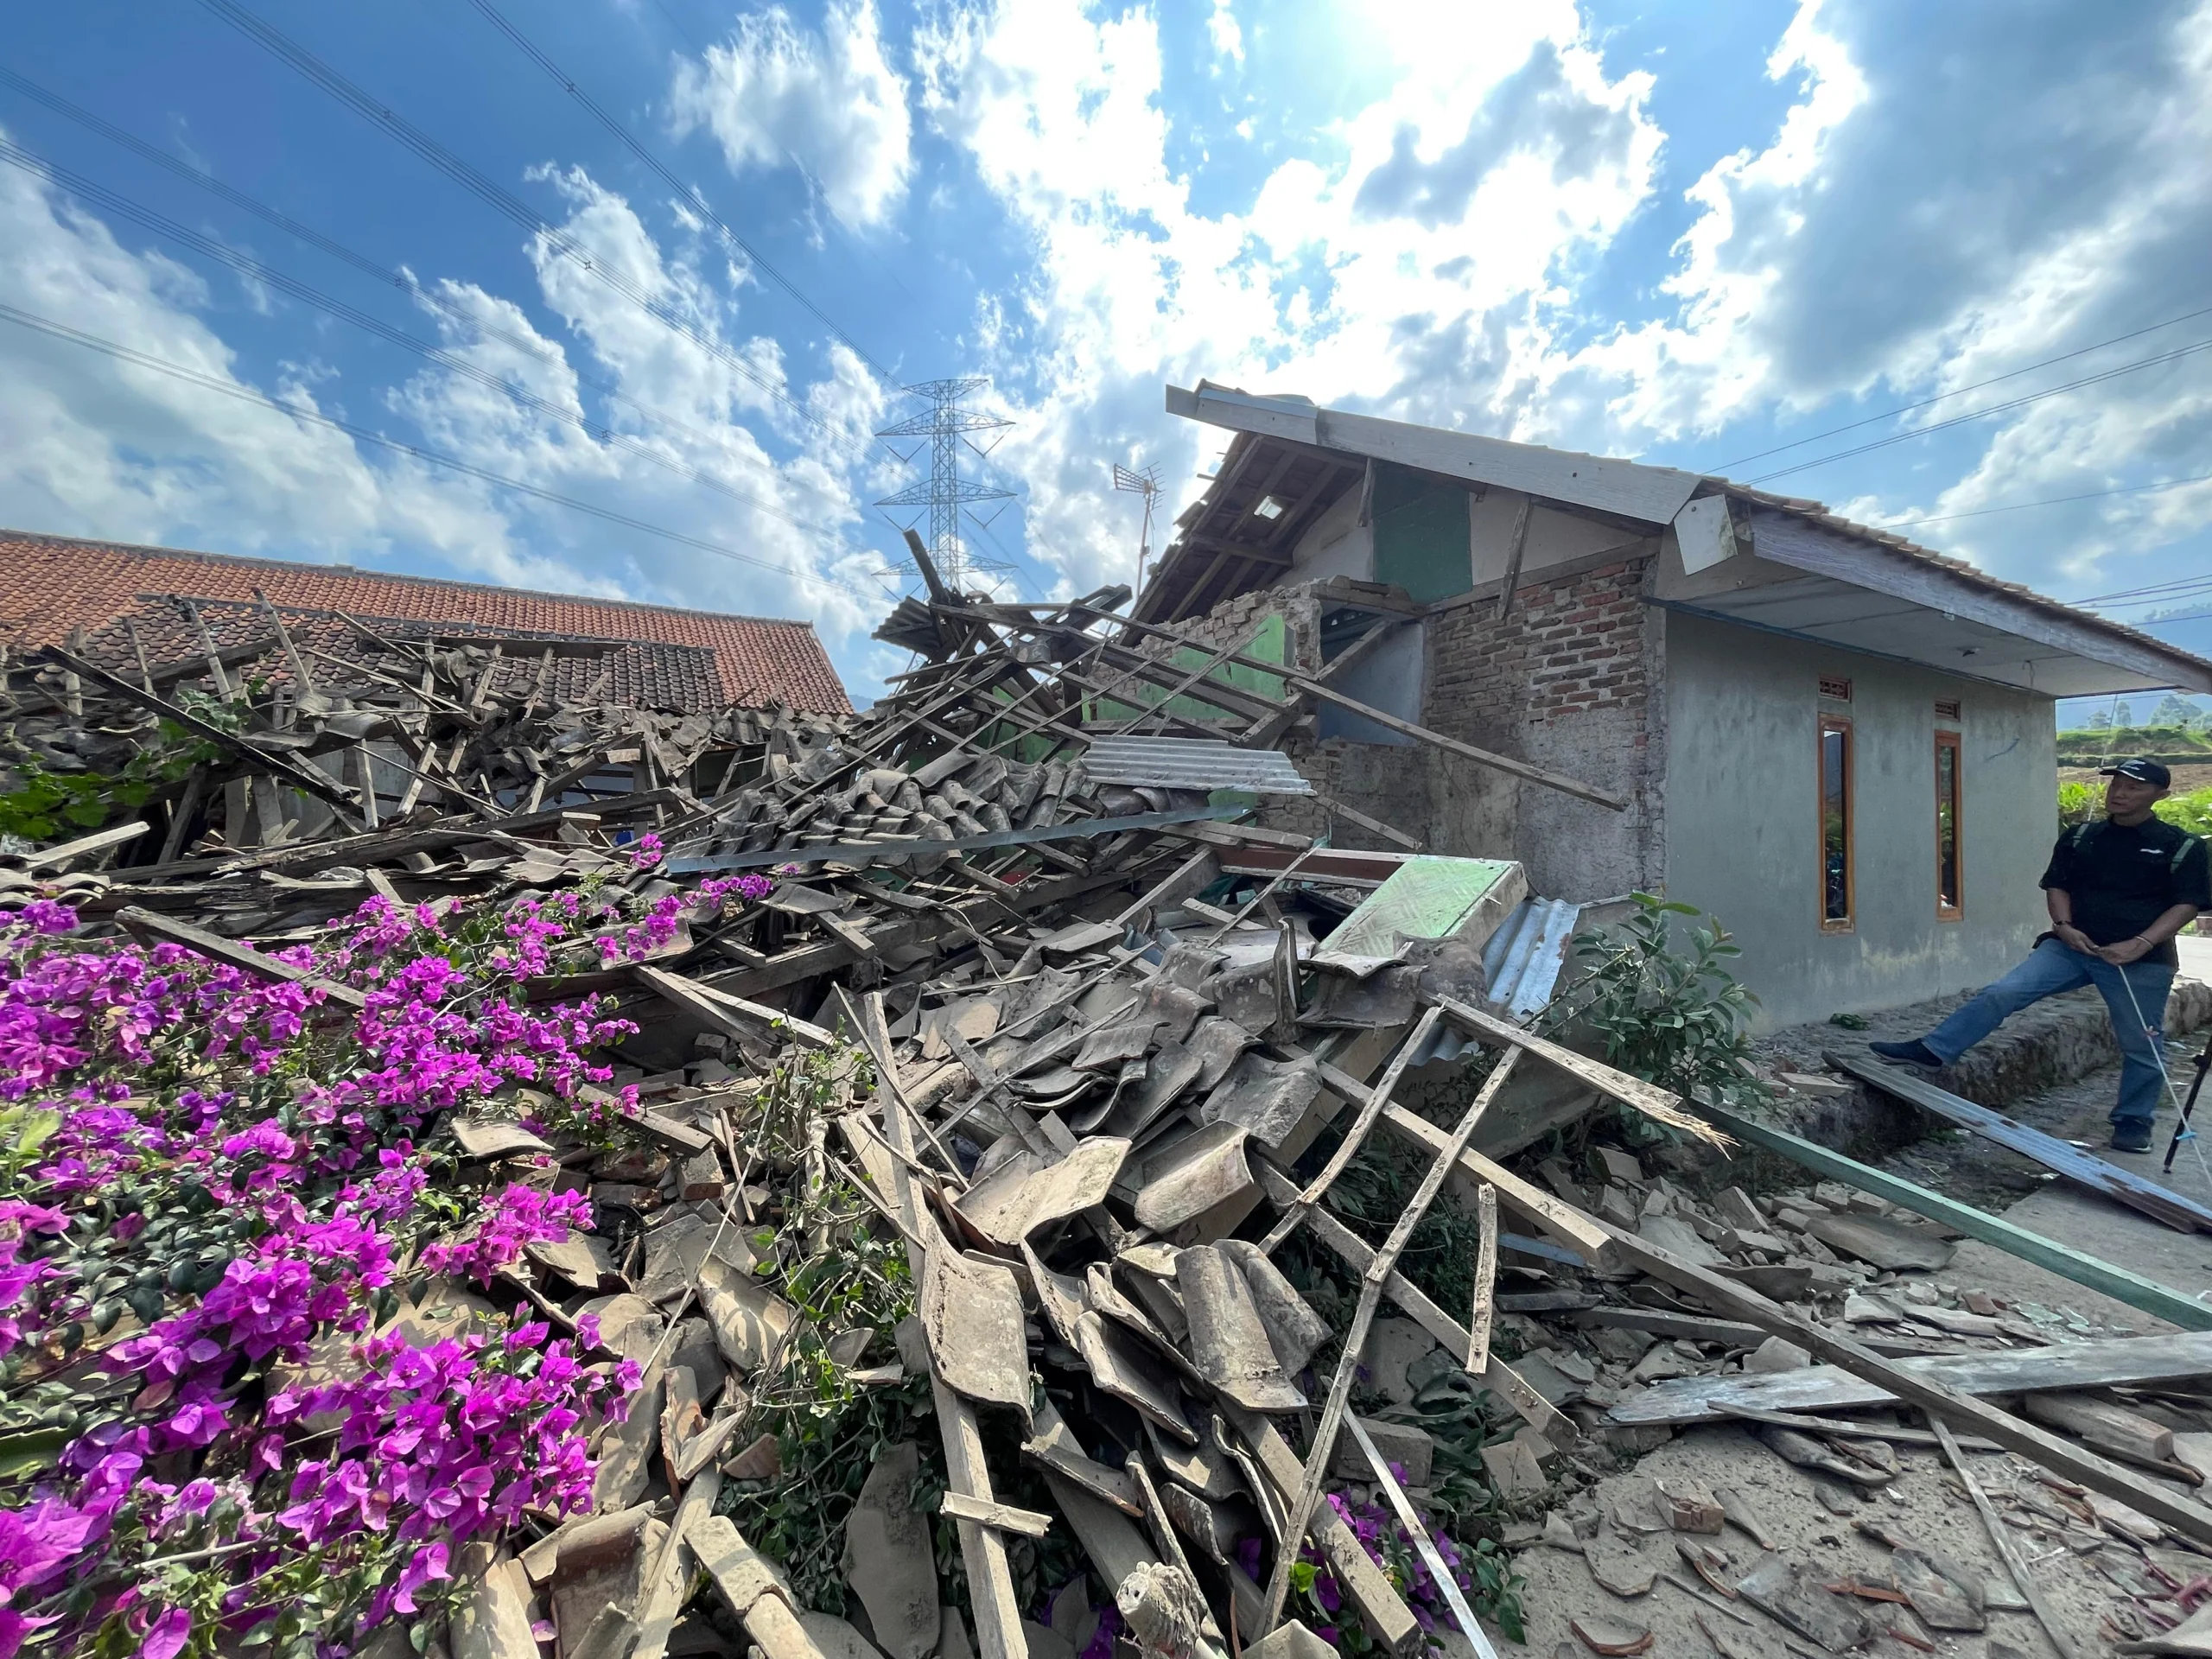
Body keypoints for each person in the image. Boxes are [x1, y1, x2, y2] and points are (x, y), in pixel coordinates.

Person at [1870, 758, 2208, 1154]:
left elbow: (2188, 905)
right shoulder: (2081, 836)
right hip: (2071, 948)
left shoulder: (2182, 846)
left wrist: (2140, 944)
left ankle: (2133, 1122)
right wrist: (2064, 927)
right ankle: (1933, 1052)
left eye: (2134, 786)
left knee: (2142, 1042)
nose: (2120, 792)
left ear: (2160, 796)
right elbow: (2057, 885)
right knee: (2002, 992)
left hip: (2140, 961)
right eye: (2117, 783)